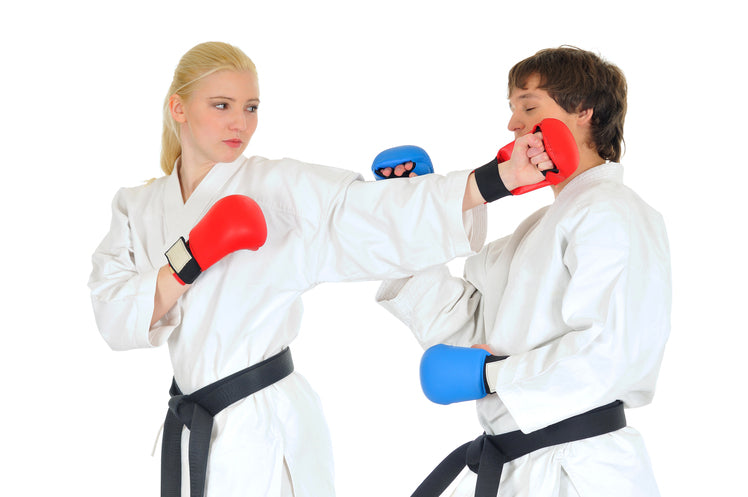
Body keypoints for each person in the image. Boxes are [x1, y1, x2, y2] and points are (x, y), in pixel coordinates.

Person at [88, 41, 558, 497]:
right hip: (192, 423)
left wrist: (498, 179)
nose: (240, 123)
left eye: (251, 107)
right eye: (222, 105)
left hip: (266, 423)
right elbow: (113, 315)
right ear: (179, 108)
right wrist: (190, 259)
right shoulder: (137, 206)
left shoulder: (274, 187)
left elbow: (358, 212)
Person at [376, 46, 671, 496]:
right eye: (512, 109)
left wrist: (489, 376)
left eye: (528, 107)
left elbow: (611, 350)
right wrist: (415, 214)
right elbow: (465, 330)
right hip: (518, 464)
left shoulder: (613, 212)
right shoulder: (534, 231)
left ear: (583, 112)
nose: (513, 125)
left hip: (581, 469)